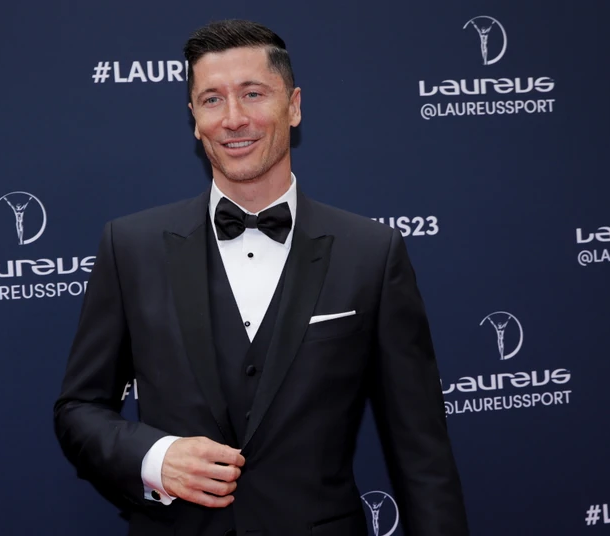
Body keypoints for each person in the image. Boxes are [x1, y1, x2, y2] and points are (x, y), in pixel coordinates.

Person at [54, 19, 469, 536]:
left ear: (293, 106)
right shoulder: (130, 247)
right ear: (194, 118)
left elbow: (420, 449)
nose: (233, 119)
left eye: (253, 94)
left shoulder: (371, 253)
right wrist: (156, 456)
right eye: (212, 99)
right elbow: (79, 408)